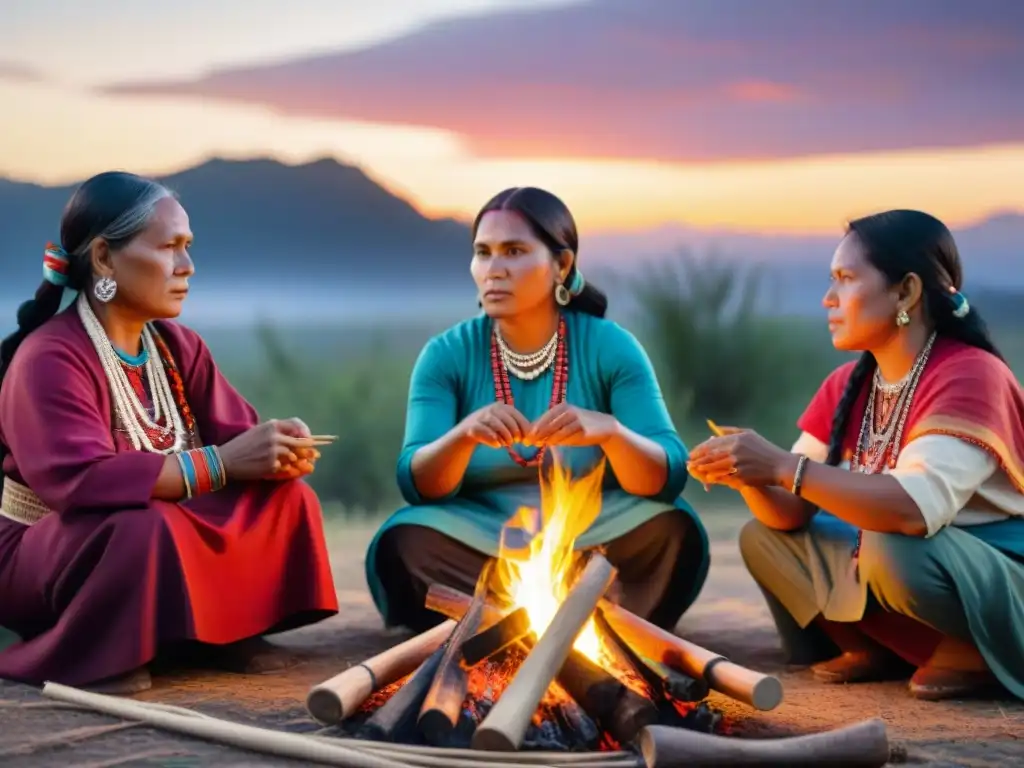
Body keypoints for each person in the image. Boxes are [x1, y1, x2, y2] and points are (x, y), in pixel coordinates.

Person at [0, 172, 339, 694]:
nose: (187, 267)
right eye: (170, 247)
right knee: (144, 528)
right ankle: (101, 649)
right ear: (104, 259)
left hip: (146, 520)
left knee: (284, 499)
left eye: (188, 247)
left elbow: (239, 437)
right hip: (52, 547)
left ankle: (226, 631)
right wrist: (223, 464)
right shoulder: (48, 357)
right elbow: (80, 482)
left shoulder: (177, 347)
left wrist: (277, 450)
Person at [687, 209, 1024, 702]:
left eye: (845, 279)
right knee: (766, 539)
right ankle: (874, 645)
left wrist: (783, 466)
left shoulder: (971, 375)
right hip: (911, 564)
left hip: (996, 574)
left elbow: (910, 510)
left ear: (906, 292)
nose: (829, 299)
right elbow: (791, 514)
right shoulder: (847, 385)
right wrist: (750, 474)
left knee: (890, 544)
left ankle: (973, 651)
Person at [366, 187, 709, 633]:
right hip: (478, 533)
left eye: (514, 251)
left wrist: (611, 433)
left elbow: (666, 476)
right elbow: (419, 484)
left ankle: (507, 618)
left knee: (671, 530)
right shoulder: (446, 354)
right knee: (405, 540)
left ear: (561, 265)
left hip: (597, 530)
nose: (494, 270)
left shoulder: (612, 347)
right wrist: (463, 435)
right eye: (483, 253)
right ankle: (570, 614)